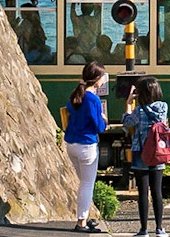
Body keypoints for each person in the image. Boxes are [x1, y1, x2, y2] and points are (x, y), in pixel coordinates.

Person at [64, 62, 108, 233]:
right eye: (103, 77)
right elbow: (98, 127)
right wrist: (104, 120)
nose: (104, 80)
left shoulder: (76, 95)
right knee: (87, 184)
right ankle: (81, 222)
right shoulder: (93, 99)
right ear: (97, 79)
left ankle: (85, 218)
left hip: (71, 145)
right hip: (86, 146)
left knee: (83, 184)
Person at [124, 76, 170, 237]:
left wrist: (129, 103)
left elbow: (127, 123)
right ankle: (159, 228)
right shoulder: (163, 107)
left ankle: (144, 229)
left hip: (141, 153)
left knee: (143, 192)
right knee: (157, 191)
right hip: (158, 152)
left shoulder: (139, 110)